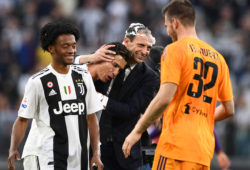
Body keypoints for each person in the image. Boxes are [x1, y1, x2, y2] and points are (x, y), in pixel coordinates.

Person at [122, 1, 234, 170]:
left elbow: (164, 98)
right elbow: (229, 109)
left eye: (167, 25)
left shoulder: (174, 49)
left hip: (175, 149)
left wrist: (137, 131)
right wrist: (201, 116)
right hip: (203, 152)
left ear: (175, 23)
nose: (167, 31)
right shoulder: (218, 58)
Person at [8, 21, 104, 170]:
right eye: (65, 46)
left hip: (79, 157)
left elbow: (91, 118)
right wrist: (13, 148)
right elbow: (22, 120)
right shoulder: (37, 81)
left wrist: (96, 153)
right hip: (48, 155)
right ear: (52, 48)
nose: (71, 50)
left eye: (73, 46)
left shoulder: (84, 77)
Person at [79, 23, 159, 170]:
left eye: (148, 48)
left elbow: (131, 110)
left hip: (126, 153)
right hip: (93, 147)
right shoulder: (108, 55)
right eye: (141, 45)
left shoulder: (150, 77)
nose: (144, 51)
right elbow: (70, 70)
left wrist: (99, 98)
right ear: (127, 41)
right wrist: (88, 57)